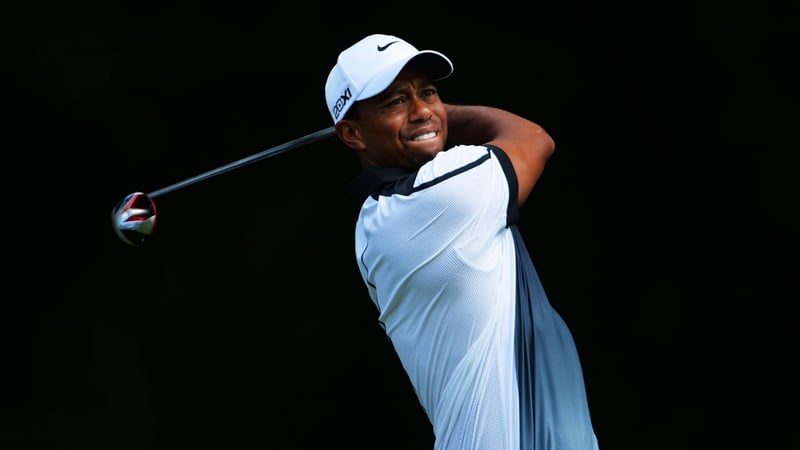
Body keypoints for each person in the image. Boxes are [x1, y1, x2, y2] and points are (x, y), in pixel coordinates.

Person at [324, 33, 600, 450]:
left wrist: (422, 115)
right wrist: (440, 115)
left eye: (428, 92)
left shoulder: (375, 223)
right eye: (395, 101)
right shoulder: (443, 194)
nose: (420, 110)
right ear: (352, 134)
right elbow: (533, 138)